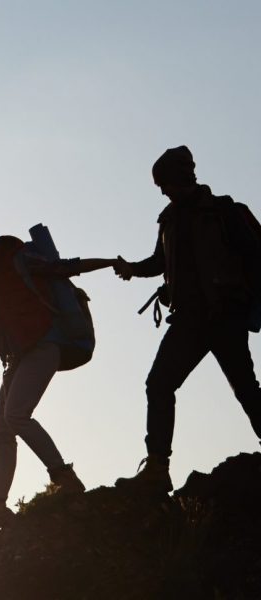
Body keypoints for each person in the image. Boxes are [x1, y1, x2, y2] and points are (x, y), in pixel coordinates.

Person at [0, 224, 117, 544]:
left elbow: (63, 268)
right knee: (2, 429)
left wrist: (110, 262)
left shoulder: (15, 259)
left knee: (16, 416)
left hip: (44, 346)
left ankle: (64, 478)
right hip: (17, 358)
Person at [112, 145, 261, 494]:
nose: (162, 191)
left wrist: (246, 305)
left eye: (164, 183)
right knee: (160, 384)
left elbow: (256, 259)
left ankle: (157, 469)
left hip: (226, 315)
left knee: (244, 388)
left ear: (181, 178)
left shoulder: (226, 211)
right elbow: (159, 262)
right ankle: (157, 469)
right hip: (189, 320)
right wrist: (132, 270)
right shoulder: (169, 219)